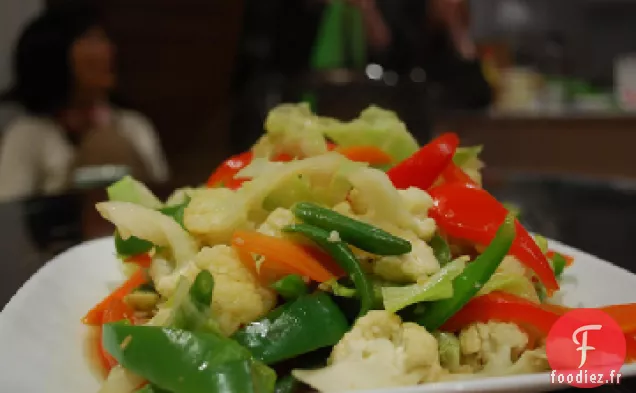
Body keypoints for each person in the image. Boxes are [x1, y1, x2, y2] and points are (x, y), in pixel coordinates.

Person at [230, 0, 492, 150]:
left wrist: (369, 17)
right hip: (290, 147)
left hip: (386, 158)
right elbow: (253, 79)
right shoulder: (278, 10)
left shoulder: (405, 9)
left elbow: (474, 94)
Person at [0, 3, 169, 201]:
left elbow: (163, 194)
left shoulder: (133, 125)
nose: (108, 50)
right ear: (56, 52)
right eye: (92, 40)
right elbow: (9, 210)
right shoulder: (29, 134)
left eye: (104, 39)